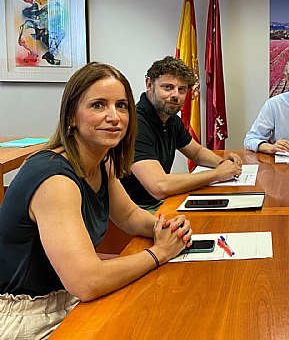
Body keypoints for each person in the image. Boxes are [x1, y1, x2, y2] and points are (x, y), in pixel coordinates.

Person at [0, 62, 193, 338]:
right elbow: (87, 281)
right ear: (71, 117)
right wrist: (159, 253)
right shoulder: (55, 180)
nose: (114, 116)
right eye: (99, 105)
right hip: (25, 314)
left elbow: (128, 216)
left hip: (65, 297)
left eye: (122, 106)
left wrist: (164, 229)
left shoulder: (102, 163)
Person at [120, 56, 242, 210]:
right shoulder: (135, 124)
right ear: (149, 85)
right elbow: (159, 186)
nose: (175, 95)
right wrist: (217, 174)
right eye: (167, 87)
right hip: (138, 209)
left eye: (182, 90)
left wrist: (223, 163)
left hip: (162, 202)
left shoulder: (170, 119)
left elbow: (196, 152)